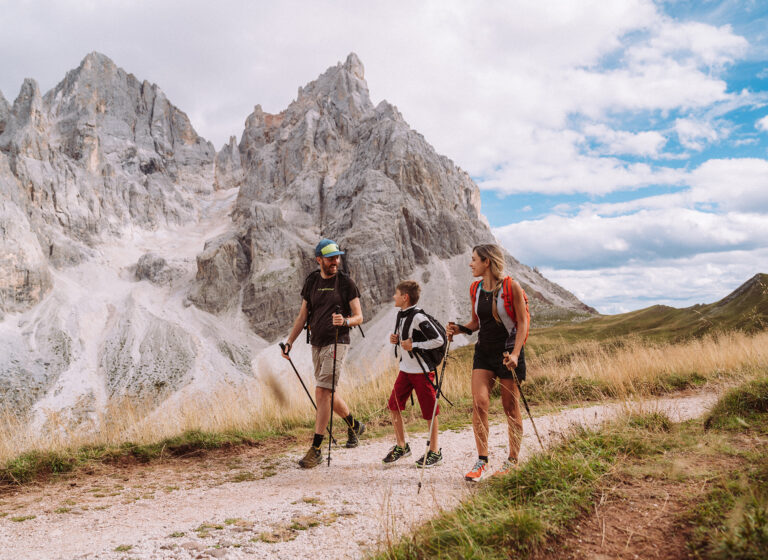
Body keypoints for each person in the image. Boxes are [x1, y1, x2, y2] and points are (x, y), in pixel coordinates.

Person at [446, 244, 530, 482]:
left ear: (487, 262)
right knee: (479, 403)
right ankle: (482, 460)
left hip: (507, 354)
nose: (471, 264)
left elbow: (522, 323)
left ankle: (512, 460)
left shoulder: (511, 286)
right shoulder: (475, 288)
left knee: (510, 408)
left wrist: (514, 354)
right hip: (483, 351)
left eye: (474, 260)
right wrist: (459, 329)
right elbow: (476, 323)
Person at [281, 238, 366, 468]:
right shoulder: (312, 281)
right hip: (316, 343)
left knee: (322, 391)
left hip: (338, 342)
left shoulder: (346, 283)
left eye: (337, 257)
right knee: (328, 392)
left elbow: (359, 316)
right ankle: (354, 425)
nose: (335, 261)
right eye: (330, 258)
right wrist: (289, 342)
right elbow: (302, 315)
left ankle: (316, 448)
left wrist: (345, 321)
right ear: (319, 259)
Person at [383, 281, 445, 468]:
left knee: (429, 410)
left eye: (396, 293)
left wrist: (415, 346)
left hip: (422, 372)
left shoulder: (418, 317)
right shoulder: (401, 315)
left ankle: (434, 452)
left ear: (405, 297)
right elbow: (407, 339)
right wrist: (397, 340)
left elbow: (439, 340)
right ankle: (402, 446)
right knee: (394, 404)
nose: (393, 296)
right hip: (406, 370)